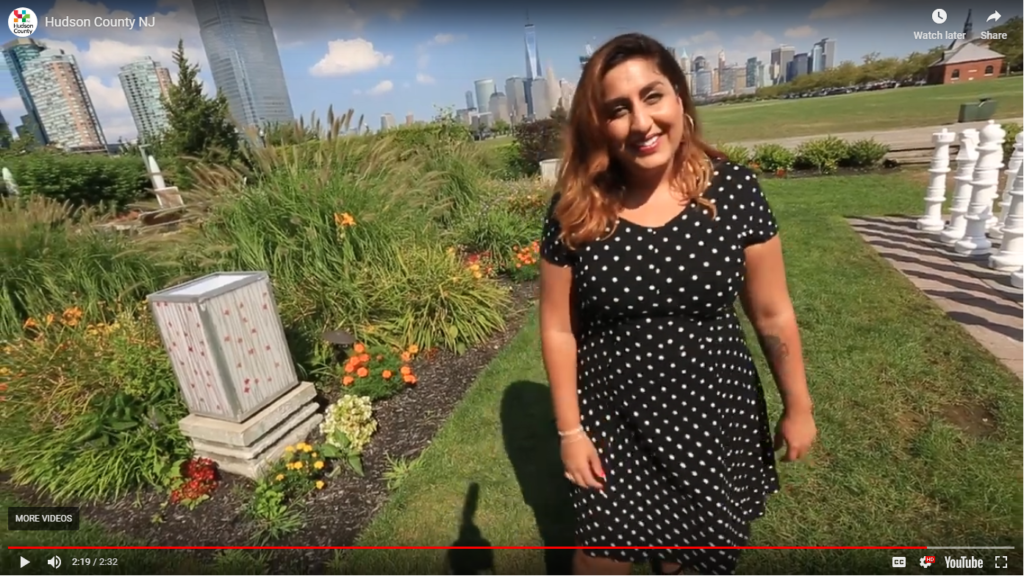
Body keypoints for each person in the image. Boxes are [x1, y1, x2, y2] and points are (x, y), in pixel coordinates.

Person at [538, 33, 817, 576]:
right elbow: (557, 330)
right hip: (613, 426)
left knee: (692, 562)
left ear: (680, 99)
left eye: (652, 96)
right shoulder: (575, 208)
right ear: (599, 125)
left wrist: (798, 405)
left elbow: (771, 312)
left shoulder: (733, 190)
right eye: (618, 109)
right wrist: (571, 433)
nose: (641, 123)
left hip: (712, 421)